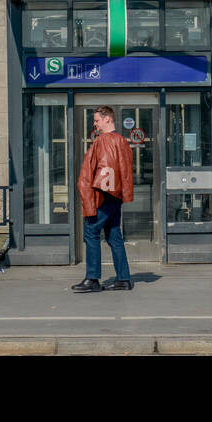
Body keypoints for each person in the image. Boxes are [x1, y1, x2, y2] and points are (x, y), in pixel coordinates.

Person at [72, 105, 135, 293]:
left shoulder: (105, 140)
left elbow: (106, 173)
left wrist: (96, 196)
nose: (94, 123)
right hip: (115, 197)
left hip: (104, 195)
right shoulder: (121, 141)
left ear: (107, 119)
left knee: (91, 231)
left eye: (97, 120)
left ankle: (92, 278)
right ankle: (123, 279)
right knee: (114, 235)